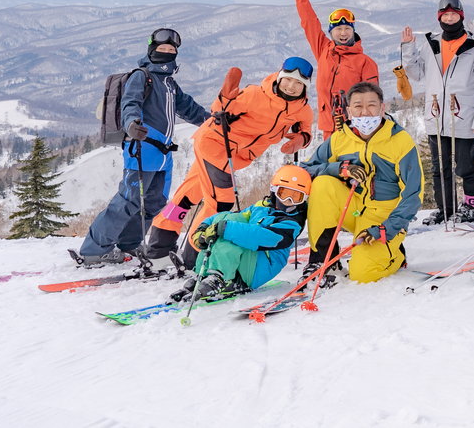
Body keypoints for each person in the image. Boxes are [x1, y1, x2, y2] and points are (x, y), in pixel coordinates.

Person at [141, 58, 314, 266]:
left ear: (305, 87)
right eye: (288, 80)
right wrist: (225, 100)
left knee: (189, 195)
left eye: (299, 84)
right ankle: (193, 257)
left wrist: (300, 140)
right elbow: (219, 111)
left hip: (238, 158)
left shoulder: (302, 109)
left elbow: (305, 131)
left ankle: (160, 245)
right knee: (221, 202)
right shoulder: (254, 95)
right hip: (214, 145)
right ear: (279, 77)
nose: (292, 86)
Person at [76, 28, 210, 267]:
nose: (167, 54)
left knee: (154, 203)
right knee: (127, 201)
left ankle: (129, 243)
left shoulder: (169, 83)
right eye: (162, 50)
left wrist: (212, 122)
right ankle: (93, 250)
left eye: (171, 50)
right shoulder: (142, 75)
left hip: (163, 153)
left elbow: (188, 108)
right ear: (151, 50)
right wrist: (131, 124)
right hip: (142, 148)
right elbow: (130, 103)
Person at [300, 81, 424, 284]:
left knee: (362, 274)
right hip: (354, 207)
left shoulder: (400, 140)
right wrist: (338, 169)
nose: (365, 112)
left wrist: (387, 228)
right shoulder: (340, 138)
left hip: (383, 217)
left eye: (372, 105)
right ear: (349, 111)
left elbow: (414, 193)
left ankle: (396, 255)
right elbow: (306, 169)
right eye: (358, 106)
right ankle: (323, 259)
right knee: (322, 184)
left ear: (382, 108)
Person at [400, 0, 474, 224]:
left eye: (453, 15)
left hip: (464, 117)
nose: (449, 18)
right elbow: (416, 73)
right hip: (436, 117)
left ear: (461, 17)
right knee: (439, 169)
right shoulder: (430, 45)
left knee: (467, 166)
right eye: (445, 15)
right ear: (439, 17)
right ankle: (447, 209)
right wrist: (408, 48)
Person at [168, 165, 312, 302]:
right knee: (230, 219)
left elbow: (261, 237)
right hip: (245, 261)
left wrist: (225, 228)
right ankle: (204, 273)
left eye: (296, 197)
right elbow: (229, 216)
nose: (288, 201)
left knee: (232, 232)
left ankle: (222, 278)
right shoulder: (261, 208)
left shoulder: (292, 224)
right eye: (284, 193)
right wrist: (204, 228)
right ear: (274, 190)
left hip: (258, 268)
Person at [289, 0, 380, 136]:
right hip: (328, 128)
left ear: (353, 31)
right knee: (330, 161)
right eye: (338, 29)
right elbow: (309, 21)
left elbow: (373, 99)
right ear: (331, 32)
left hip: (355, 130)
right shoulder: (324, 50)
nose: (343, 33)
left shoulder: (365, 63)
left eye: (347, 29)